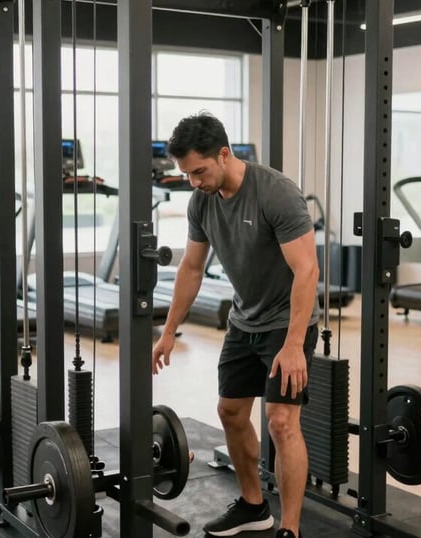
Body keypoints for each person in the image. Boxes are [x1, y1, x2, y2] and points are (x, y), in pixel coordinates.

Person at [151, 112, 320, 538]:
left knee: (281, 422)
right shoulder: (201, 201)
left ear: (223, 154)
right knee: (230, 412)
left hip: (287, 324)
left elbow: (307, 271)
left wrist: (295, 344)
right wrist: (169, 330)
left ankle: (291, 529)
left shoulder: (276, 194)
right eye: (187, 174)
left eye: (199, 171)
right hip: (244, 321)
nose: (194, 182)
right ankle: (253, 506)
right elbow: (191, 268)